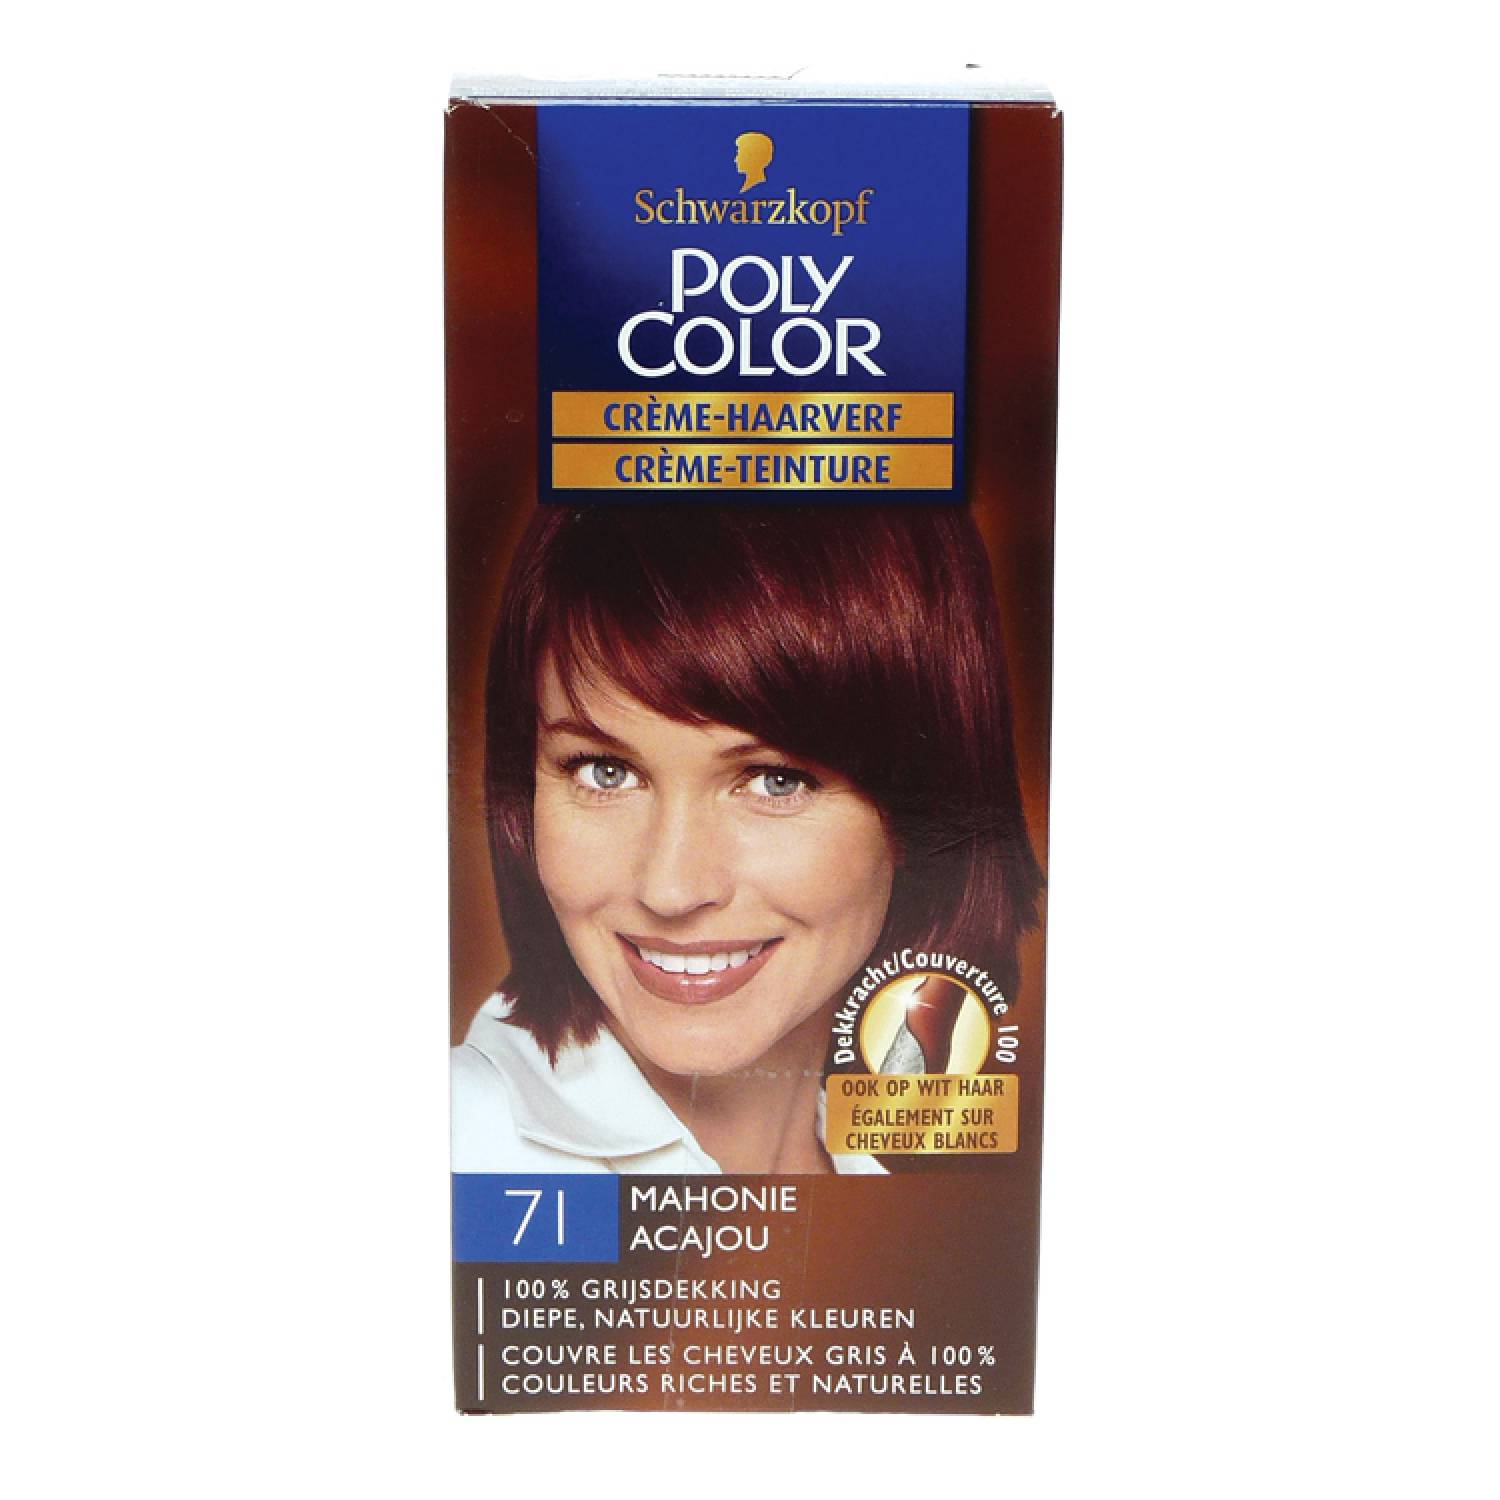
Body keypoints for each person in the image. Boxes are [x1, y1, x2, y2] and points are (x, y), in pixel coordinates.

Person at [451, 503, 1041, 1175]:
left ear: (924, 810)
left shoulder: (915, 1196)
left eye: (775, 781)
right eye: (604, 771)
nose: (671, 889)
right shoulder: (459, 1152)